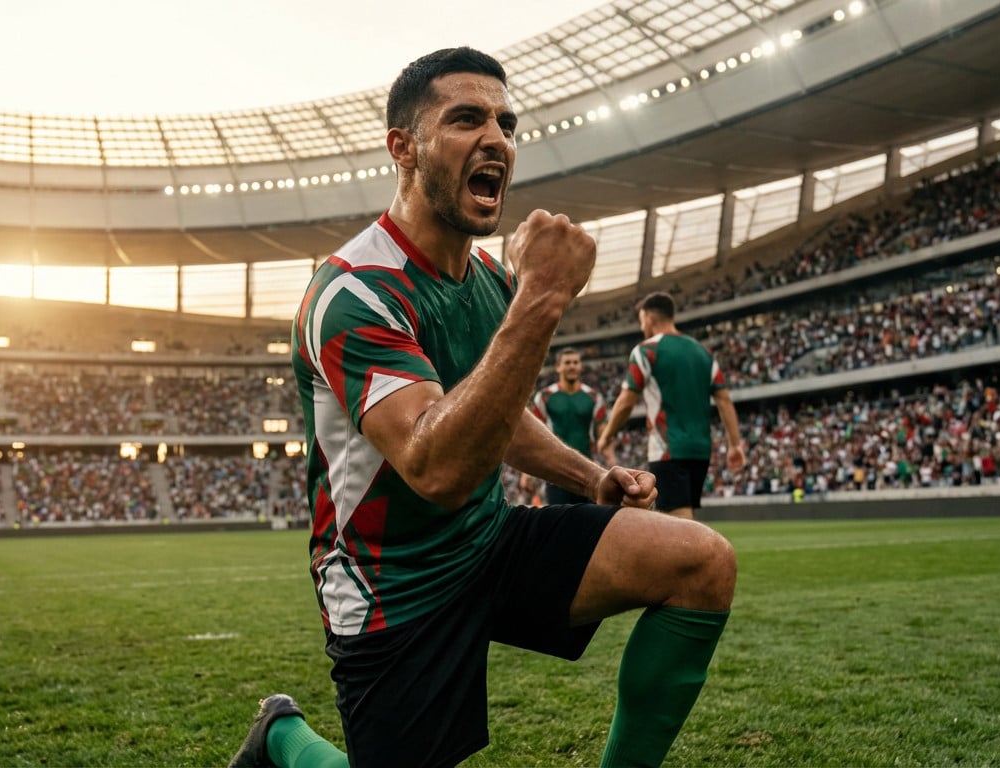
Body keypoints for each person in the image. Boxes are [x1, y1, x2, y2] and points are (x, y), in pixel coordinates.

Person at [229, 47, 736, 768]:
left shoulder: (490, 282)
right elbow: (437, 465)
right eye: (466, 119)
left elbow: (494, 415)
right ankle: (282, 738)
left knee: (701, 564)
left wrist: (587, 473)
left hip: (485, 542)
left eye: (506, 122)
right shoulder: (352, 293)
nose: (496, 137)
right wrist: (544, 297)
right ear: (402, 148)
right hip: (392, 586)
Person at [597, 291, 746, 520]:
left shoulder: (646, 351)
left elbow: (627, 401)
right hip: (700, 451)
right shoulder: (703, 353)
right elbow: (724, 400)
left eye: (641, 320)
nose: (641, 327)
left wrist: (606, 435)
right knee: (682, 517)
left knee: (677, 523)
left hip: (668, 448)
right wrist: (735, 444)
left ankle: (702, 556)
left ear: (649, 317)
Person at [525, 347, 611, 504]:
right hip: (556, 473)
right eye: (567, 363)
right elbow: (533, 434)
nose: (572, 366)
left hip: (587, 472)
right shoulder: (544, 397)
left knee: (591, 523)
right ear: (558, 366)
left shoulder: (593, 397)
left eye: (576, 362)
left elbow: (603, 432)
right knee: (561, 524)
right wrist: (526, 473)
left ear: (581, 366)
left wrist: (612, 460)